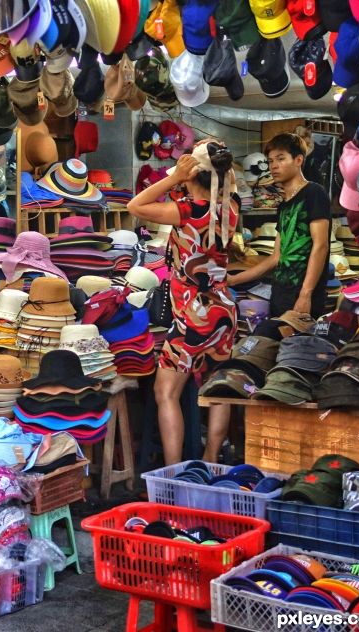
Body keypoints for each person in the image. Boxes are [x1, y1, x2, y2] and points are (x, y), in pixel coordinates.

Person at [126, 140, 239, 465]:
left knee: (166, 393)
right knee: (219, 391)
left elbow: (136, 206)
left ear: (191, 174)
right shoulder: (230, 206)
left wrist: (174, 178)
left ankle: (175, 473)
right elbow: (224, 181)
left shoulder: (187, 211)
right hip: (224, 310)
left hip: (192, 315)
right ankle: (212, 460)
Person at [229, 133, 331, 317]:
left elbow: (320, 245)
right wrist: (234, 280)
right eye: (270, 161)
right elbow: (276, 257)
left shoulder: (314, 193)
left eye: (281, 159)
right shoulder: (284, 205)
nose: (274, 165)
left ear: (298, 160)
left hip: (304, 295)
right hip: (280, 293)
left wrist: (306, 294)